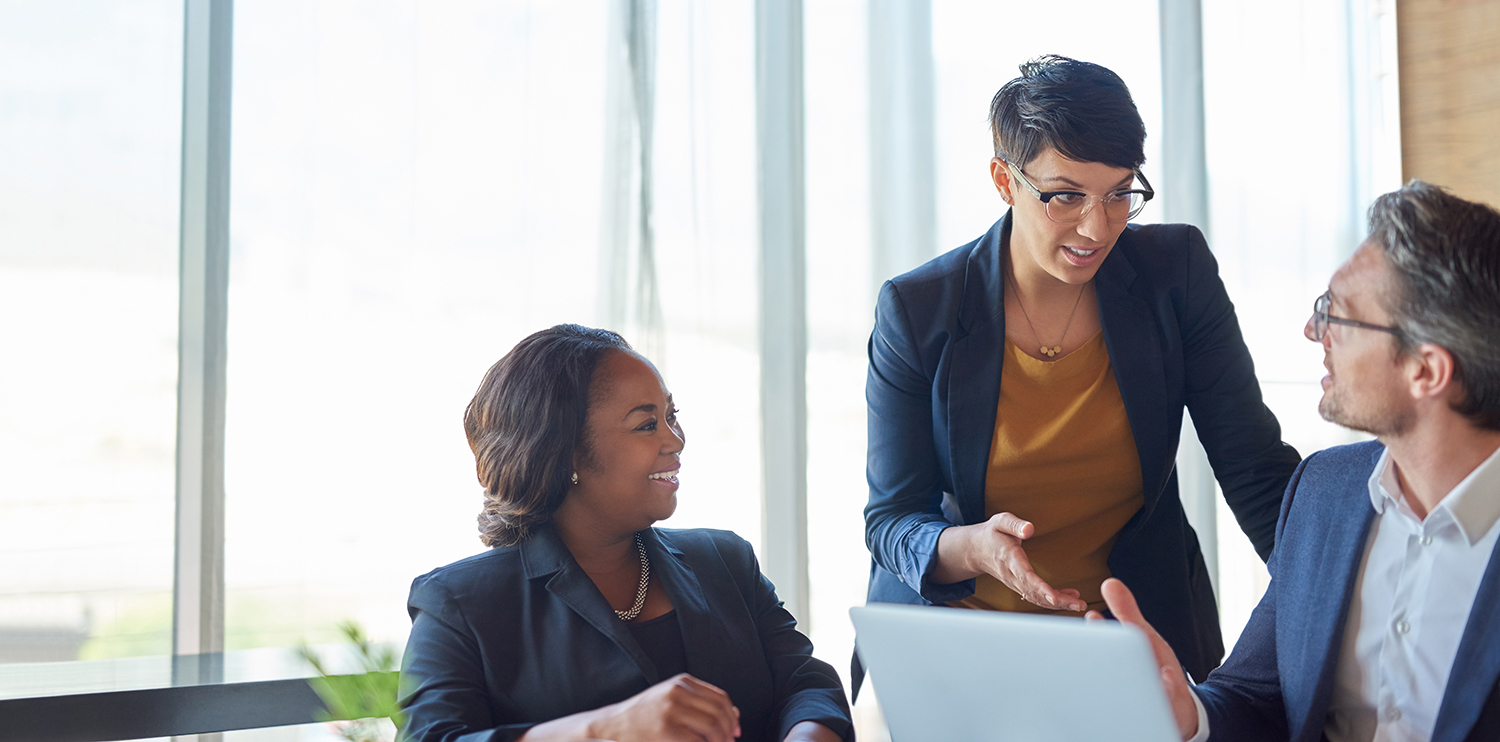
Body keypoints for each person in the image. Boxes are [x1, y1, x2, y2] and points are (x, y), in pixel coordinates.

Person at [861, 54, 1301, 690]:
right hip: (963, 641)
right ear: (1003, 180)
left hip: (1131, 639)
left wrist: (1340, 605)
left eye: (1121, 193)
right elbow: (892, 519)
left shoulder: (1174, 274)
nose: (1098, 227)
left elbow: (1254, 469)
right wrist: (971, 547)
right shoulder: (919, 309)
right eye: (1065, 196)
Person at [1101, 181, 1500, 741]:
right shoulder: (1324, 492)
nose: (1315, 331)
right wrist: (1191, 713)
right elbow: (1254, 695)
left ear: (1426, 370)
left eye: (1338, 314)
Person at [399, 325, 852, 742]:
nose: (676, 440)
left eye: (673, 415)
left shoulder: (726, 560)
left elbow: (806, 683)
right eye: (647, 423)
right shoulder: (457, 605)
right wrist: (608, 729)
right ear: (566, 452)